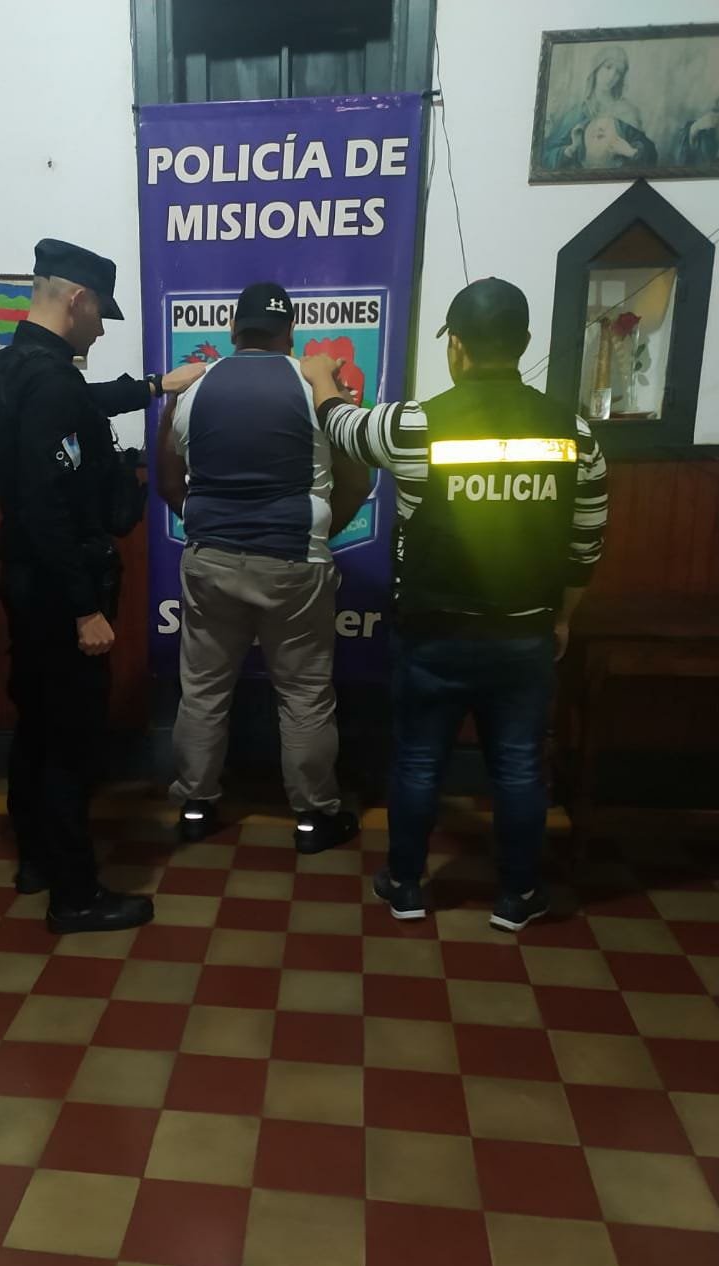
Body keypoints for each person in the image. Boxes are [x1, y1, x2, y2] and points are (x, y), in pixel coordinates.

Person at [302, 278, 608, 931]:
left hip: (433, 632)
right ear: (523, 342)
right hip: (524, 634)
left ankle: (406, 886)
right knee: (519, 766)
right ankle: (517, 896)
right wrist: (562, 617)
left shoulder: (417, 425)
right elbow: (586, 543)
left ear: (458, 347)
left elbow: (343, 426)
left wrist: (320, 374)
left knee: (417, 761)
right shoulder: (576, 435)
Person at [0, 238, 204, 932]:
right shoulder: (51, 382)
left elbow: (80, 403)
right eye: (101, 313)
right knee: (70, 743)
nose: (101, 328)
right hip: (61, 587)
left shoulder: (7, 370)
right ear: (76, 300)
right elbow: (45, 505)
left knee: (37, 727)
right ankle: (76, 895)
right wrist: (83, 609)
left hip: (27, 579)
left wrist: (156, 386)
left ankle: (37, 859)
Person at [157, 282, 367, 854]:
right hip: (296, 561)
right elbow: (357, 480)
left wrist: (212, 528)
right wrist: (317, 532)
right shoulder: (314, 386)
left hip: (210, 559)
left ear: (234, 330)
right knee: (304, 695)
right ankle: (313, 819)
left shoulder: (195, 386)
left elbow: (169, 482)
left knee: (203, 691)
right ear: (289, 333)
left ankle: (195, 809)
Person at [542, 45, 657, 171]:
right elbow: (546, 157)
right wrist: (571, 149)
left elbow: (650, 154)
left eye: (618, 72)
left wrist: (631, 152)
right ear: (596, 69)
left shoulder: (627, 112)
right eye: (608, 67)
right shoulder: (579, 111)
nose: (612, 76)